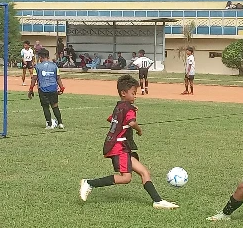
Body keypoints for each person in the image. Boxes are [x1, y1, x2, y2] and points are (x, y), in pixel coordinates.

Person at [79, 75, 179, 210]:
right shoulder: (128, 108)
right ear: (123, 93)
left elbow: (111, 118)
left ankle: (158, 201)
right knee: (126, 178)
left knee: (144, 172)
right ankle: (89, 183)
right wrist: (139, 130)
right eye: (133, 93)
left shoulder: (120, 106)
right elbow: (131, 122)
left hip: (122, 146)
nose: (135, 96)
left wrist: (128, 111)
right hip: (119, 147)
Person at [27, 49, 65, 129]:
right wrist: (61, 88)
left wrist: (31, 89)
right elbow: (58, 78)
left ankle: (49, 124)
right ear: (48, 56)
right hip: (53, 89)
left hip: (43, 89)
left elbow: (34, 79)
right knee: (55, 106)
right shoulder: (54, 66)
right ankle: (60, 123)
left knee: (45, 107)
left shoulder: (37, 67)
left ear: (40, 57)